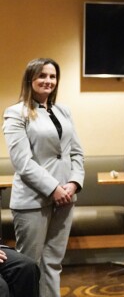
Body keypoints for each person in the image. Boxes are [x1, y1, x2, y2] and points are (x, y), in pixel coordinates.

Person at [2, 58, 85, 297]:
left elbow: (76, 152)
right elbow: (22, 162)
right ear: (30, 79)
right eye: (42, 76)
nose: (48, 81)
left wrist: (74, 183)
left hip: (66, 197)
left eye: (52, 76)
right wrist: (53, 188)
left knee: (53, 262)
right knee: (29, 265)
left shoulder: (63, 111)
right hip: (32, 200)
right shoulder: (15, 113)